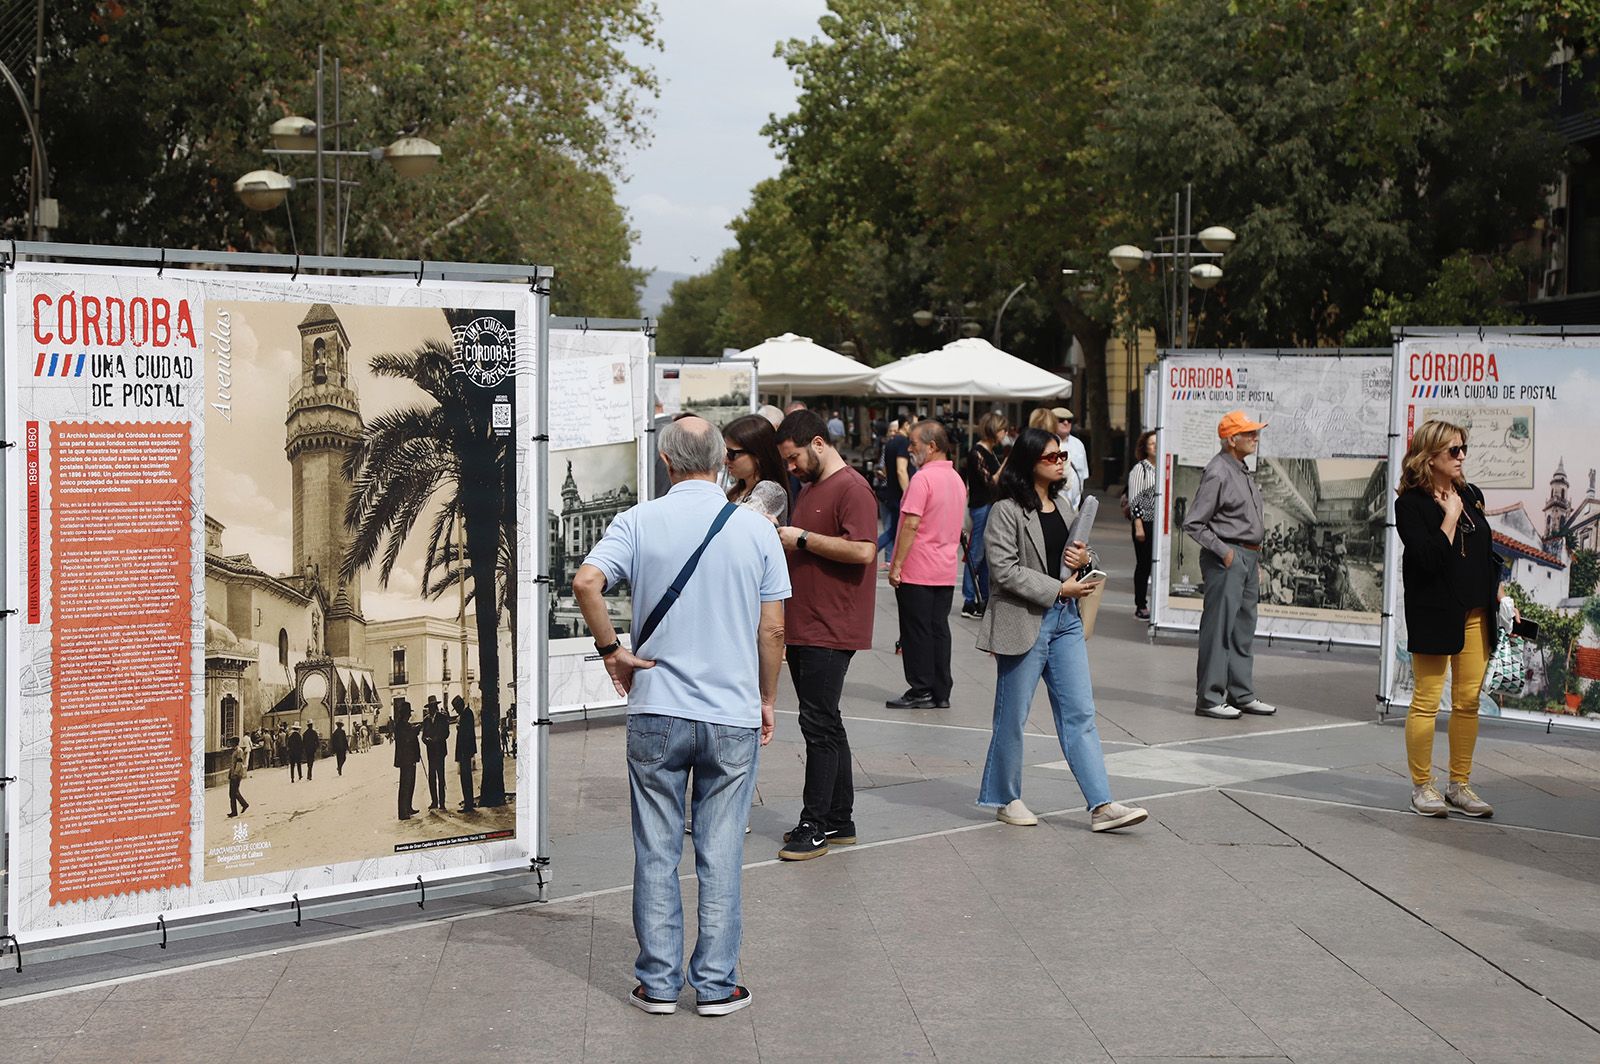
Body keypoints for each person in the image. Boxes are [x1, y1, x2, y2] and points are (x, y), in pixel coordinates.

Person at [572, 415, 788, 1018]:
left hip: (658, 709)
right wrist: (766, 697)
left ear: (666, 463)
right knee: (720, 853)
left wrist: (612, 650)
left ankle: (659, 983)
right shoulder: (755, 531)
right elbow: (773, 628)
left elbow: (587, 581)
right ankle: (717, 985)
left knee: (656, 850)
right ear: (722, 461)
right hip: (731, 712)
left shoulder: (638, 521)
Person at [975, 427, 1148, 833]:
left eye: (1062, 457)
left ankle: (1102, 804)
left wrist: (1087, 560)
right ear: (1029, 462)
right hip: (1024, 619)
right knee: (1012, 716)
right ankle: (1005, 797)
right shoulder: (1006, 510)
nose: (1059, 462)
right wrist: (1059, 588)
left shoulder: (1067, 508)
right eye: (1051, 457)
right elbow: (1003, 570)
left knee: (1081, 713)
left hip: (1065, 621)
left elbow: (1075, 559)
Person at [773, 408, 878, 860]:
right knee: (826, 720)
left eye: (794, 458)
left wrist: (800, 539)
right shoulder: (812, 487)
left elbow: (863, 550)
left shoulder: (852, 487)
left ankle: (814, 825)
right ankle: (839, 820)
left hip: (830, 625)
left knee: (816, 724)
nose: (791, 468)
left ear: (819, 443)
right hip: (807, 621)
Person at [1395, 419, 1505, 818]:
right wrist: (1450, 516)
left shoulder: (1471, 493)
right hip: (1436, 612)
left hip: (1477, 611)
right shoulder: (1410, 503)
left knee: (1468, 702)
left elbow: (1483, 550)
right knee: (1426, 701)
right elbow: (1426, 558)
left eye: (1464, 449)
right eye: (1453, 451)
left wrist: (1499, 590)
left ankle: (1460, 785)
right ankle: (1423, 787)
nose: (1462, 457)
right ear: (1430, 457)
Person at [1183, 410, 1278, 720]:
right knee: (1219, 629)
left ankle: (1241, 693)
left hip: (1247, 556)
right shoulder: (1219, 471)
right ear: (1231, 439)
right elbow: (1194, 523)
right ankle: (1209, 698)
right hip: (1229, 557)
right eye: (1249, 433)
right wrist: (1226, 554)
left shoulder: (1239, 469)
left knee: (1242, 629)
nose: (1255, 437)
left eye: (1255, 432)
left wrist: (1253, 558)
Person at [887, 420, 966, 709]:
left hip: (919, 566)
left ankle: (921, 687)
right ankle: (940, 689)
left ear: (932, 446)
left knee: (916, 630)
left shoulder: (922, 478)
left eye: (914, 443)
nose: (909, 449)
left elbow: (911, 524)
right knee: (938, 629)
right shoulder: (956, 479)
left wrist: (896, 565)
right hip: (944, 567)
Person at [961, 411, 1005, 619]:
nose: (1005, 434)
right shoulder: (977, 453)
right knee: (976, 553)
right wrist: (1006, 465)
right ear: (994, 430)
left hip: (989, 506)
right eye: (1003, 429)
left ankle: (984, 597)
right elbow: (990, 482)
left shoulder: (990, 452)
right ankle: (969, 600)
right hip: (981, 507)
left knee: (988, 556)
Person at [722, 413, 789, 524]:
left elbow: (733, 522)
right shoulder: (735, 490)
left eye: (732, 454)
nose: (725, 460)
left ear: (757, 455)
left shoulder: (771, 490)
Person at [1127, 430, 1159, 620]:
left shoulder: (1163, 467)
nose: (1155, 446)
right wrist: (1138, 526)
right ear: (1145, 447)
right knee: (1144, 565)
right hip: (1145, 523)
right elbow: (1135, 500)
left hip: (1159, 524)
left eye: (1157, 442)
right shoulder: (1141, 469)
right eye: (1151, 443)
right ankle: (1141, 604)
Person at [877, 413, 916, 568]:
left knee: (894, 530)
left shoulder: (890, 442)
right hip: (899, 495)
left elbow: (886, 469)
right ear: (906, 425)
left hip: (892, 492)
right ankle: (874, 552)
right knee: (896, 530)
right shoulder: (903, 442)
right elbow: (901, 470)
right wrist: (909, 494)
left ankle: (892, 560)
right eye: (913, 424)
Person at [1051, 407, 1089, 506]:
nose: (1066, 423)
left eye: (1069, 420)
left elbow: (1083, 474)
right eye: (1061, 420)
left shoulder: (1078, 444)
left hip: (1075, 503)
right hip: (1054, 501)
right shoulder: (1048, 444)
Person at [392, 698, 421, 820]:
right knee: (405, 785)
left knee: (411, 783)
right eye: (408, 712)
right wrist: (415, 730)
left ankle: (408, 807)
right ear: (405, 713)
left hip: (411, 759)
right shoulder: (400, 726)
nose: (410, 714)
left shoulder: (406, 725)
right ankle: (402, 812)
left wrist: (414, 729)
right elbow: (407, 739)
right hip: (405, 760)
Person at [422, 695, 450, 809]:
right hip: (431, 753)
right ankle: (434, 801)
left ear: (436, 706)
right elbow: (423, 736)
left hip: (440, 751)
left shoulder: (442, 718)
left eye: (434, 706)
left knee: (441, 777)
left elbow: (446, 733)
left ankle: (442, 802)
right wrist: (426, 740)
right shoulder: (426, 720)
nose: (432, 708)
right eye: (430, 707)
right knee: (432, 777)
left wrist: (437, 739)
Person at [454, 695, 478, 812]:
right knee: (465, 777)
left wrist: (459, 727)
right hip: (465, 751)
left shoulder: (466, 714)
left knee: (466, 778)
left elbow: (467, 734)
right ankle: (468, 802)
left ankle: (468, 804)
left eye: (456, 708)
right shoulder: (465, 713)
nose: (457, 711)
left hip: (465, 751)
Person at [226, 736, 250, 818]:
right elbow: (233, 764)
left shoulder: (239, 751)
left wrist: (235, 773)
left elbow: (239, 763)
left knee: (233, 792)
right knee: (233, 792)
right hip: (233, 773)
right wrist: (230, 773)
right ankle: (237, 809)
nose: (230, 744)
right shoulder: (235, 751)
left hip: (236, 774)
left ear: (235, 743)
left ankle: (241, 806)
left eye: (231, 742)